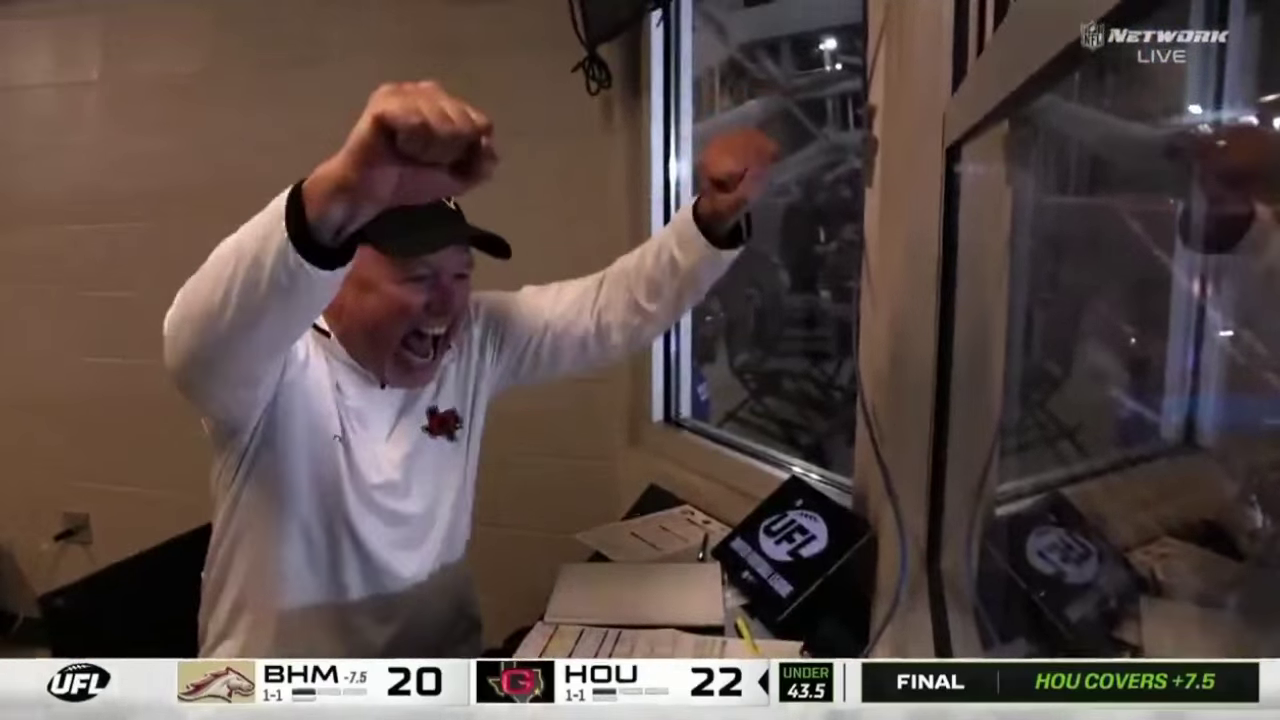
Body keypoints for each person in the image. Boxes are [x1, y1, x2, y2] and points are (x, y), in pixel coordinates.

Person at [163, 80, 778, 658]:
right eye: (418, 278)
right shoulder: (275, 368)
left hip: (445, 678)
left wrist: (710, 221)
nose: (447, 302)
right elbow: (197, 341)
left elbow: (608, 311)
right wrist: (345, 185)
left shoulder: (475, 341)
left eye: (460, 274)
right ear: (336, 280)